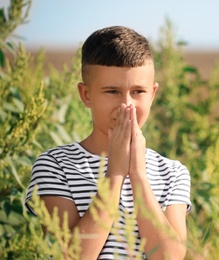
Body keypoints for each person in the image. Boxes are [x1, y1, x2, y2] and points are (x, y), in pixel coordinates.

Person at [25, 26, 192, 259]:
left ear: (152, 95)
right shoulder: (55, 165)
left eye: (138, 91)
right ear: (86, 95)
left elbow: (170, 256)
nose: (127, 105)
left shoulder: (173, 173)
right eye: (112, 91)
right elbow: (69, 256)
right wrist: (114, 175)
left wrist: (138, 175)